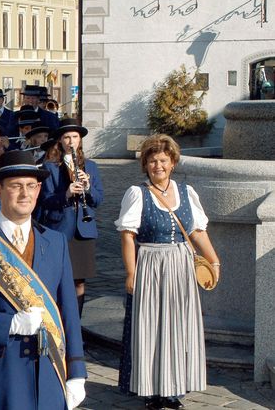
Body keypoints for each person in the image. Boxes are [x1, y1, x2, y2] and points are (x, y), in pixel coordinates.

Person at [0, 150, 87, 410]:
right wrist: (9, 324)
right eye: (16, 186)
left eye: (31, 186)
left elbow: (68, 309)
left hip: (50, 372)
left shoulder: (55, 242)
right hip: (1, 375)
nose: (25, 194)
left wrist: (76, 371)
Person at [115, 134, 219, 410]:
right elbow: (127, 236)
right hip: (150, 262)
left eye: (162, 160)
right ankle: (152, 391)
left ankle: (173, 389)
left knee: (178, 325)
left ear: (173, 162)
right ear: (145, 165)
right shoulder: (137, 193)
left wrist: (214, 260)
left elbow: (197, 231)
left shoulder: (187, 192)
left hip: (182, 265)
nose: (157, 166)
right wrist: (131, 272)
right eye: (152, 161)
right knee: (151, 326)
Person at [39, 118, 103, 318]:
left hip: (83, 230)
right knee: (58, 279)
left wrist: (88, 188)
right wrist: (66, 194)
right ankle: (59, 325)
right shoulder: (50, 167)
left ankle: (77, 325)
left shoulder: (90, 166)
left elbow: (98, 200)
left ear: (80, 140)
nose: (71, 141)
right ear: (60, 140)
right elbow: (45, 200)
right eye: (67, 137)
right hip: (60, 228)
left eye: (75, 137)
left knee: (79, 281)